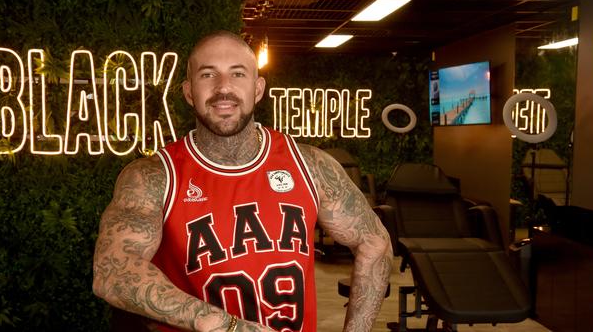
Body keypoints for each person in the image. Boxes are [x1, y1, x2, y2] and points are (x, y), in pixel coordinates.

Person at [92, 30, 393, 332]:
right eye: (208, 74)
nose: (224, 88)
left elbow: (374, 243)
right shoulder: (154, 175)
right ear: (188, 91)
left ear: (258, 88)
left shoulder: (310, 166)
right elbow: (113, 272)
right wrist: (226, 325)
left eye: (237, 74)